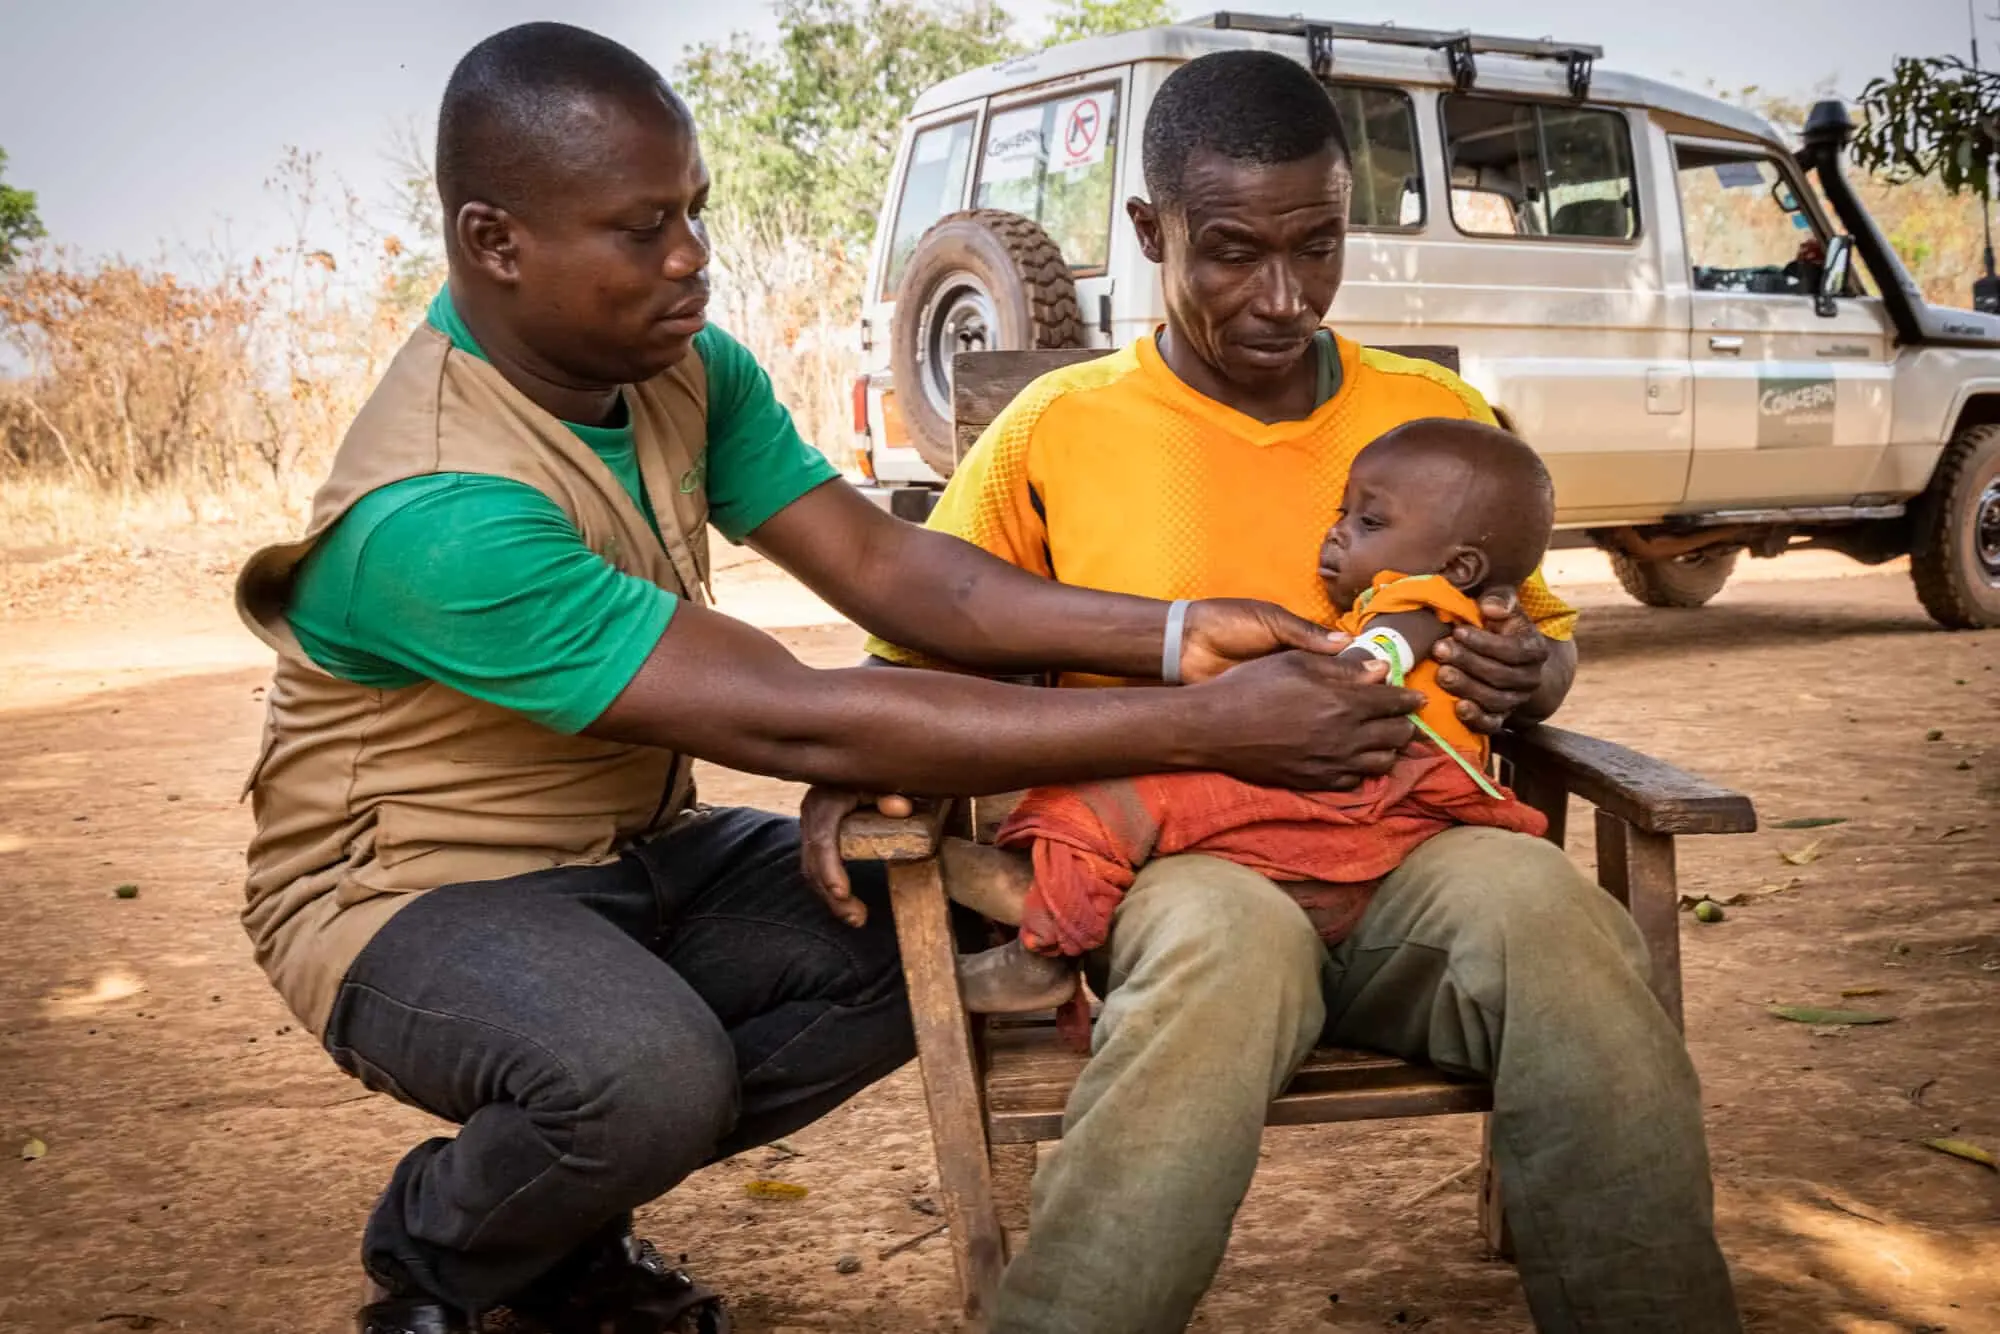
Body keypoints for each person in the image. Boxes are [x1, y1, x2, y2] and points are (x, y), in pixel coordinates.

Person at [234, 25, 1431, 1334]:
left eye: (694, 211)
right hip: (404, 892)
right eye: (643, 229)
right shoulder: (441, 512)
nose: (692, 256)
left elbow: (898, 569)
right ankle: (444, 1252)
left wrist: (1175, 631)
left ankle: (561, 1213)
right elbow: (791, 712)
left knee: (951, 922)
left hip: (640, 849)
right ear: (496, 240)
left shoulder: (677, 370)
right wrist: (1210, 723)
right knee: (647, 1076)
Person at [830, 48, 1743, 1334]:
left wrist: (1531, 672)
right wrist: (852, 773)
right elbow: (917, 651)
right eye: (1230, 251)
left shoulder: (1427, 415)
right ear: (1151, 233)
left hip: (1418, 854)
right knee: (1220, 948)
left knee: (1562, 929)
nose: (1282, 296)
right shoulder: (1056, 427)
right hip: (1187, 869)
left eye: (1316, 246)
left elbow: (1538, 633)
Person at [949, 417, 1559, 1016]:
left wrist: (1288, 688)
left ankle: (1040, 897)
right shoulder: (1053, 416)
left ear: (1459, 570)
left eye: (1368, 521)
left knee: (1133, 790)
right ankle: (1046, 913)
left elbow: (1366, 670)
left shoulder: (1419, 602)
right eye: (1340, 513)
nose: (1339, 533)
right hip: (1365, 790)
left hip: (1376, 781)